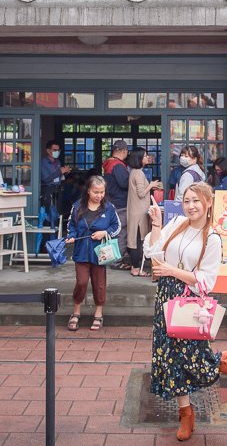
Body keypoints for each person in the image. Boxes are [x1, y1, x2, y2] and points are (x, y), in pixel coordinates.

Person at [144, 181, 227, 441]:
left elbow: (207, 281)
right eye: (187, 201)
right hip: (165, 296)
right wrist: (155, 225)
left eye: (196, 200)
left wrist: (172, 271)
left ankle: (221, 363)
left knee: (192, 359)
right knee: (170, 359)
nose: (191, 206)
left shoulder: (213, 238)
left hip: (189, 300)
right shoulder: (176, 225)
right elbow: (154, 251)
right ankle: (186, 414)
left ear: (208, 203)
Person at [65, 176, 121, 331]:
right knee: (81, 282)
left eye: (102, 192)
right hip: (81, 251)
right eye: (96, 192)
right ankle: (76, 312)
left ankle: (98, 313)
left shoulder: (109, 208)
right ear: (88, 191)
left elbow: (117, 227)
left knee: (99, 284)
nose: (99, 195)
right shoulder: (77, 207)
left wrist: (105, 232)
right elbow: (71, 225)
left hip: (100, 252)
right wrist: (71, 236)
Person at [126, 147, 162, 276]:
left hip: (135, 211)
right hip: (139, 212)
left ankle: (134, 267)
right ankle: (136, 268)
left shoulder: (134, 172)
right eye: (145, 156)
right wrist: (151, 185)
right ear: (139, 159)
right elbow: (141, 194)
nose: (148, 157)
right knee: (137, 241)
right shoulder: (139, 173)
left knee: (135, 240)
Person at [102, 139, 131, 268]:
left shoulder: (108, 163)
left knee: (112, 232)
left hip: (111, 201)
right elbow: (124, 183)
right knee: (121, 231)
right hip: (120, 203)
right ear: (124, 151)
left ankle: (112, 258)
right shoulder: (118, 165)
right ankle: (116, 261)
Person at [39, 139, 70, 228]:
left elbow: (59, 176)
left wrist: (65, 172)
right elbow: (45, 179)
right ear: (48, 151)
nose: (57, 152)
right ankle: (48, 238)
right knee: (49, 214)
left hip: (58, 190)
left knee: (57, 214)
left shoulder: (58, 162)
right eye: (55, 150)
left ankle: (56, 236)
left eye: (58, 150)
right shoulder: (43, 162)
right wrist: (60, 172)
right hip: (48, 190)